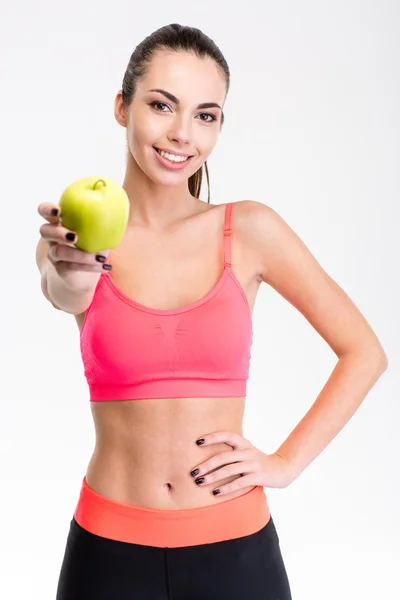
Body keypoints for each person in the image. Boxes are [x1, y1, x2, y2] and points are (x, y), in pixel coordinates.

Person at [35, 23, 388, 600]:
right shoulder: (78, 235)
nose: (182, 134)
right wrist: (72, 265)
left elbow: (365, 352)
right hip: (108, 552)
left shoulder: (248, 229)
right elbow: (64, 290)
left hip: (236, 551)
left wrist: (285, 463)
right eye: (161, 105)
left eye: (206, 115)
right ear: (122, 108)